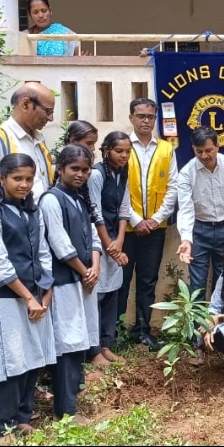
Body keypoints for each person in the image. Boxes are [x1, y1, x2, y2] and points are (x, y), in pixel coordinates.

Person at [0, 84, 56, 404]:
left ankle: (24, 394)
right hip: (4, 250)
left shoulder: (38, 141)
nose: (50, 117)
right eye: (47, 111)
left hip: (32, 244)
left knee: (29, 324)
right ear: (25, 104)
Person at [0, 153, 56, 438]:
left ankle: (23, 416)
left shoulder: (33, 213)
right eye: (17, 178)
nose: (24, 184)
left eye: (29, 179)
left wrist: (46, 294)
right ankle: (5, 426)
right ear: (1, 178)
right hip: (6, 298)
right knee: (8, 362)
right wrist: (28, 298)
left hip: (37, 297)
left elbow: (44, 253)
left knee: (32, 357)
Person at [40, 144, 102, 418]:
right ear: (60, 169)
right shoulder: (51, 200)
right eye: (74, 168)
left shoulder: (79, 198)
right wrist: (84, 270)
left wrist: (95, 266)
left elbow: (93, 235)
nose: (80, 174)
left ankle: (73, 400)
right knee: (67, 343)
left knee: (80, 340)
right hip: (65, 281)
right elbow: (59, 242)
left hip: (84, 279)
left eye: (85, 170)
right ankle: (64, 411)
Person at [177, 128, 224, 340]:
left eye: (209, 150)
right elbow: (185, 209)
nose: (204, 156)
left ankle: (221, 336)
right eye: (199, 151)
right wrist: (186, 240)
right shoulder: (187, 173)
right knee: (197, 286)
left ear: (217, 146)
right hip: (199, 232)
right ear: (193, 149)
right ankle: (197, 339)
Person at [121, 98, 178, 350]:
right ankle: (117, 332)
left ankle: (143, 331)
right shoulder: (122, 146)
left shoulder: (166, 149)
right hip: (126, 228)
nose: (146, 121)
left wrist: (155, 219)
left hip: (155, 229)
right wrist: (135, 219)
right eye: (141, 116)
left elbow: (173, 187)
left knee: (148, 281)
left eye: (150, 117)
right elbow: (119, 188)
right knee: (121, 281)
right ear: (131, 118)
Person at [88, 134, 141, 361]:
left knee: (112, 292)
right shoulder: (97, 174)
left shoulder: (123, 172)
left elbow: (124, 208)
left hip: (114, 240)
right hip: (97, 241)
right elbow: (95, 211)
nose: (124, 155)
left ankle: (106, 345)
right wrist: (109, 245)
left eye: (128, 152)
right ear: (106, 150)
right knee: (97, 294)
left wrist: (119, 241)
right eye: (119, 151)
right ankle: (93, 349)